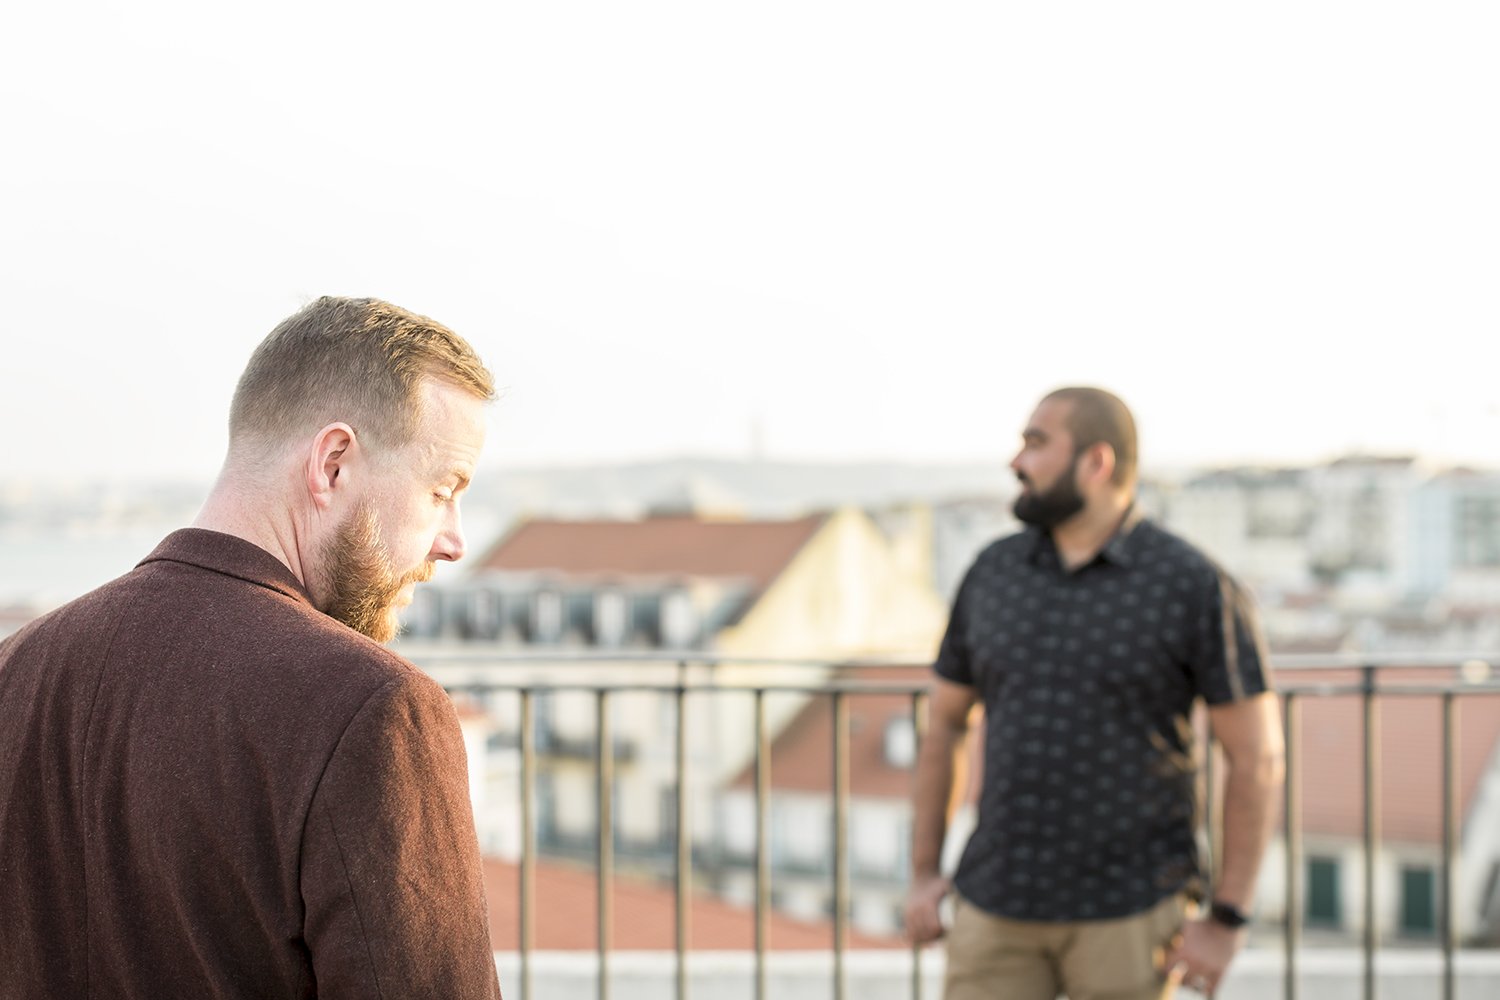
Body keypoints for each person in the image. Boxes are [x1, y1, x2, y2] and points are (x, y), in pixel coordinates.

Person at [0, 297, 505, 999]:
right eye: (441, 490)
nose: (453, 541)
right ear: (332, 464)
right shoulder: (378, 710)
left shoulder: (19, 665)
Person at [904, 387, 1284, 1000]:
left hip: (1130, 913)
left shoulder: (1192, 584)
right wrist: (923, 874)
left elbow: (1257, 757)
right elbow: (944, 724)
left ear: (1096, 463)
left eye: (1036, 443)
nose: (1016, 461)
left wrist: (1226, 918)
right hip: (995, 904)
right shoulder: (991, 573)